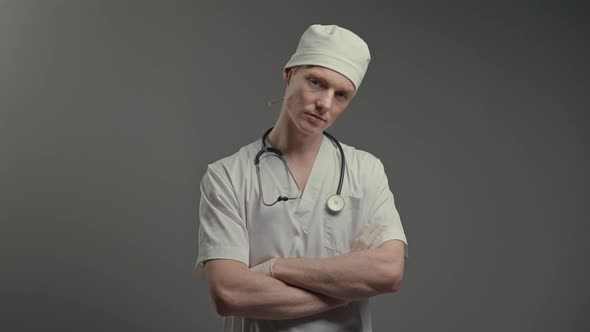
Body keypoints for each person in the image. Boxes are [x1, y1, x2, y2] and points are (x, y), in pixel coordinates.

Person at [195, 24, 408, 331]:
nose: (325, 103)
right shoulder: (227, 176)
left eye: (341, 95)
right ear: (289, 73)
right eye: (316, 83)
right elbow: (229, 293)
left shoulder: (365, 170)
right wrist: (343, 289)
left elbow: (388, 272)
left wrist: (272, 268)